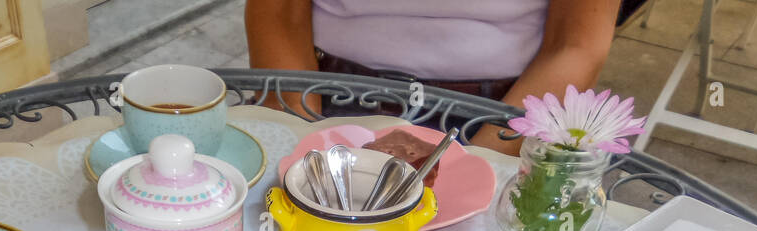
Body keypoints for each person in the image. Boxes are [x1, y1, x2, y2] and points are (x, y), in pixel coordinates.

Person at [245, 0, 622, 153]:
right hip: (322, 98)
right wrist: (299, 136)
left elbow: (575, 46)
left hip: (503, 115)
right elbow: (278, 13)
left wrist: (482, 163)